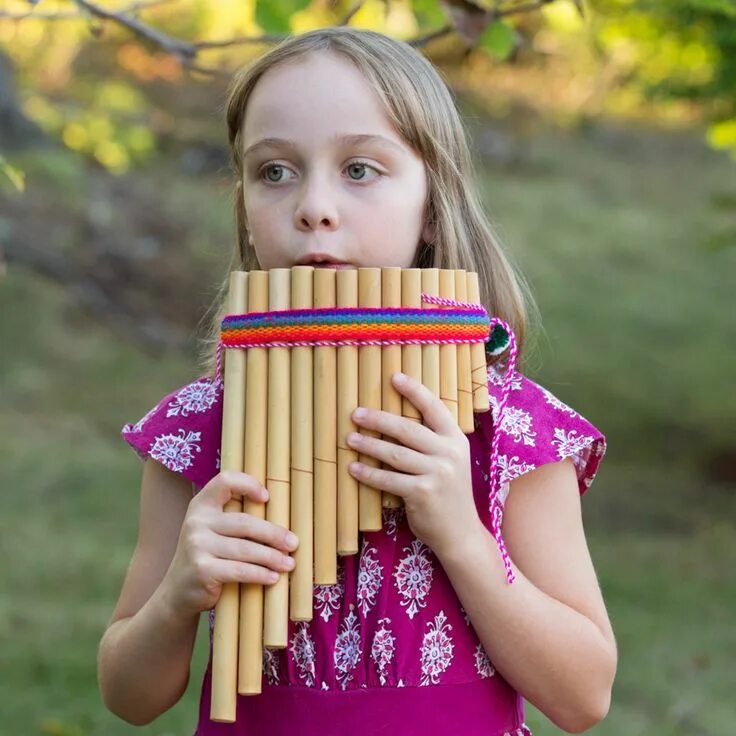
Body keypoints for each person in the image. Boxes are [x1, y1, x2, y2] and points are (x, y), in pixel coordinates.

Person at [98, 26, 617, 736]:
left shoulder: (513, 429)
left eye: (360, 169)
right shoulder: (203, 428)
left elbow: (584, 698)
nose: (313, 206)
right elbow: (130, 696)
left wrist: (462, 536)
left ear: (433, 206)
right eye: (274, 171)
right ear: (245, 211)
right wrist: (178, 597)